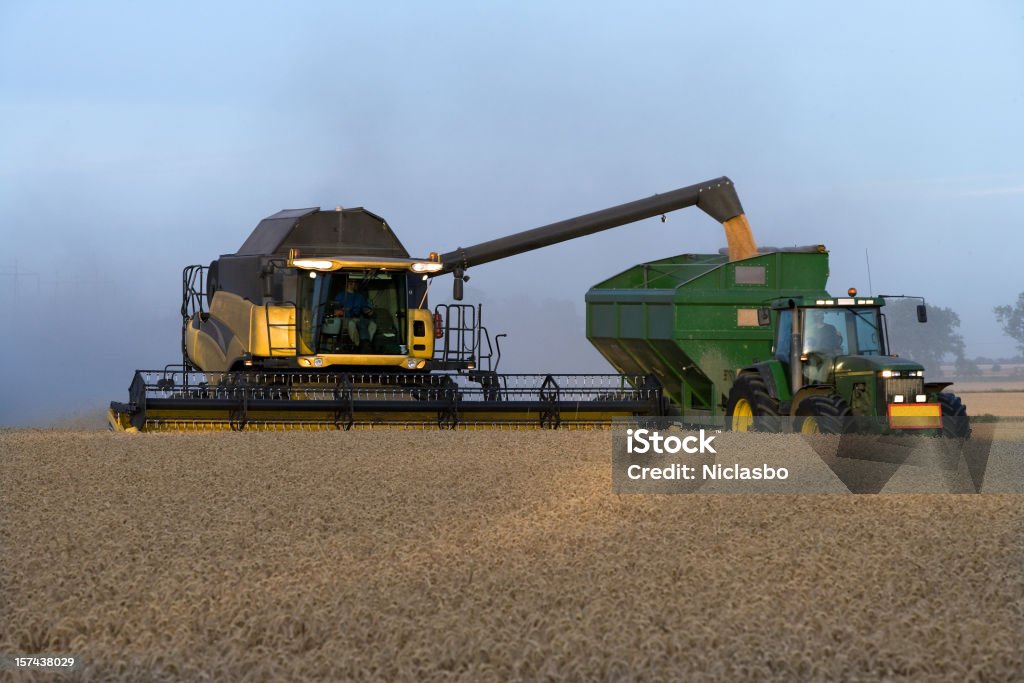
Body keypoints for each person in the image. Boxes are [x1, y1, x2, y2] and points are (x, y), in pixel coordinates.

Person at [333, 279, 377, 350]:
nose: (356, 285)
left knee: (373, 325)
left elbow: (364, 308)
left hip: (359, 318)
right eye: (354, 283)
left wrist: (369, 311)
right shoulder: (340, 295)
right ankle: (358, 344)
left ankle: (367, 343)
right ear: (349, 283)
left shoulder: (360, 296)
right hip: (345, 319)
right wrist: (342, 311)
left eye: (356, 283)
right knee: (351, 324)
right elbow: (335, 311)